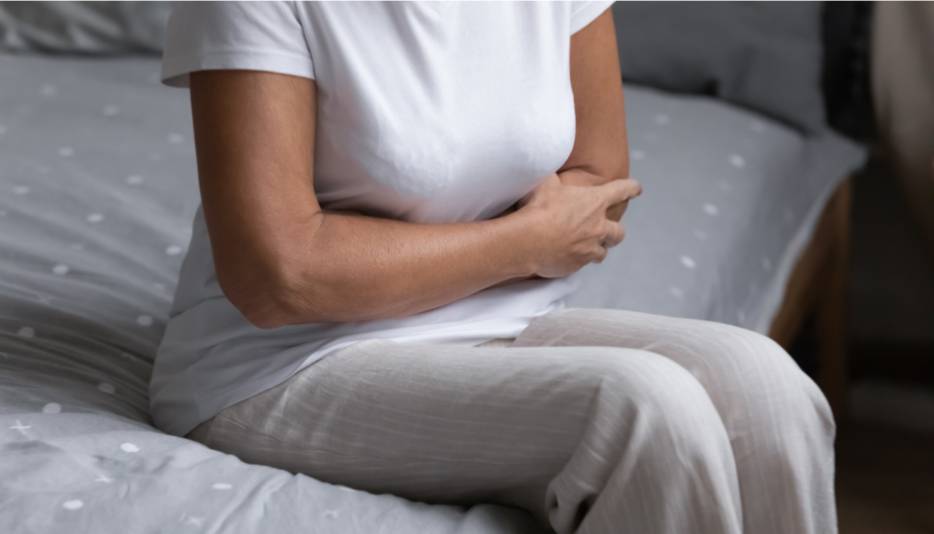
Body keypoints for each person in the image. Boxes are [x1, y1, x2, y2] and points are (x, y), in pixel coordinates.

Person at [151, 2, 837, 533]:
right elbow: (280, 276)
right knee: (643, 409)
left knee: (767, 385)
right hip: (285, 363)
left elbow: (598, 186)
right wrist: (522, 243)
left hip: (496, 318)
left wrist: (507, 247)